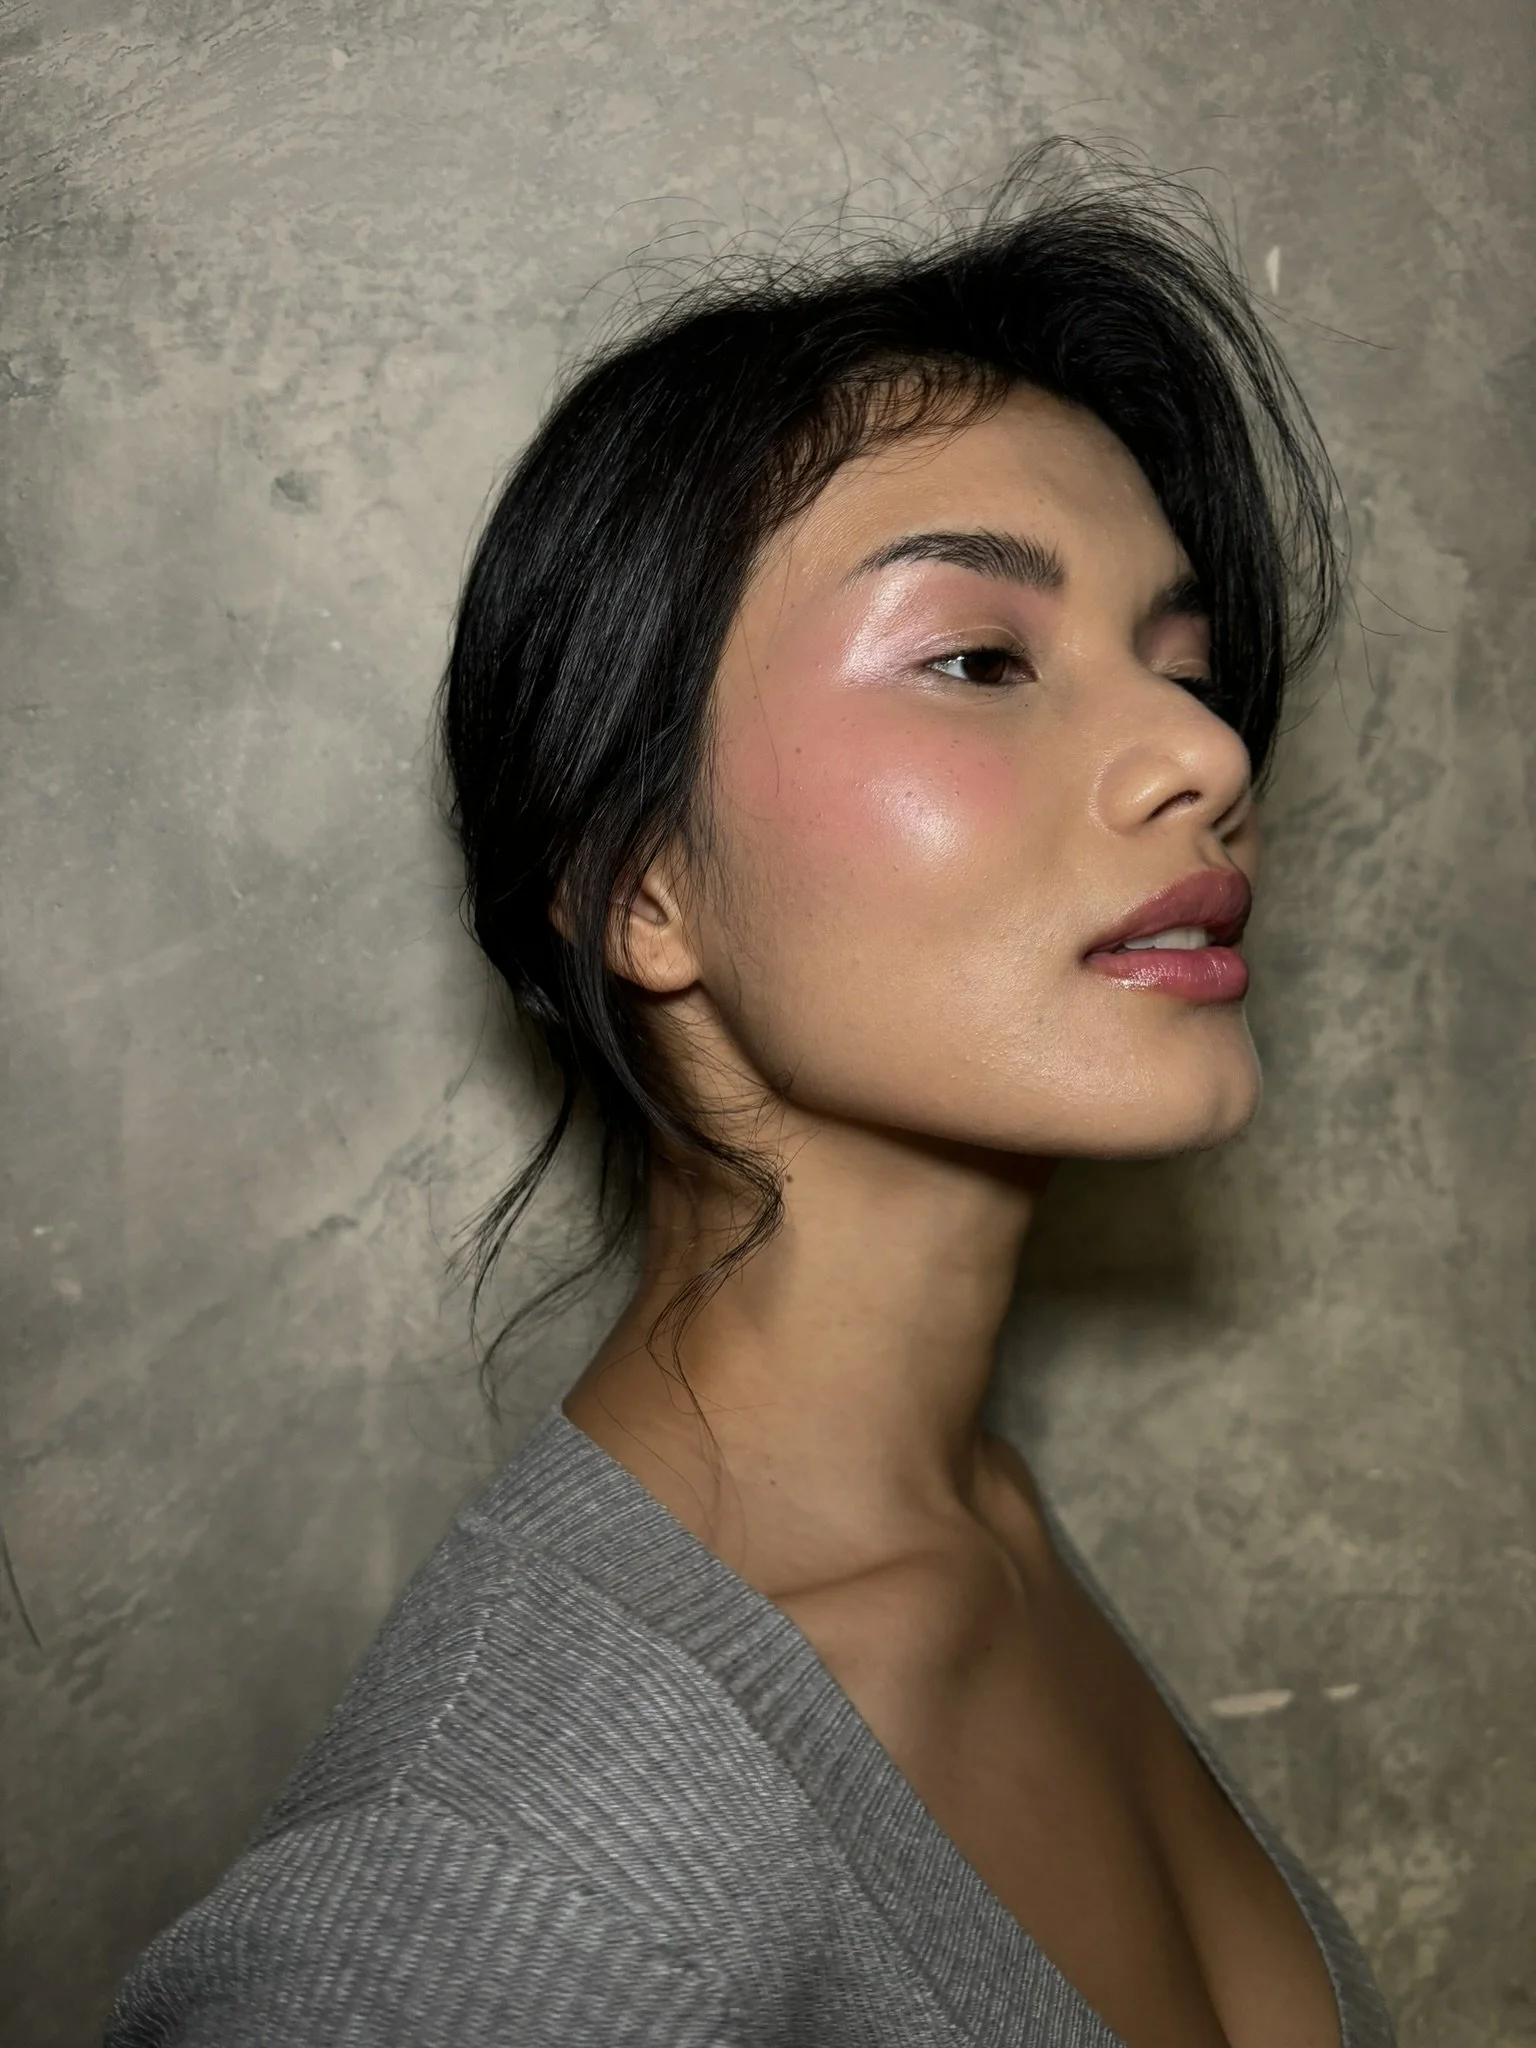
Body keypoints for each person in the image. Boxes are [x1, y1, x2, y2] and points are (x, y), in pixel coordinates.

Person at [106, 144, 1397, 2047]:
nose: (1203, 751)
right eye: (978, 656)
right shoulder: (505, 1887)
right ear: (639, 882)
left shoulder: (975, 1526)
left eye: (1184, 665)